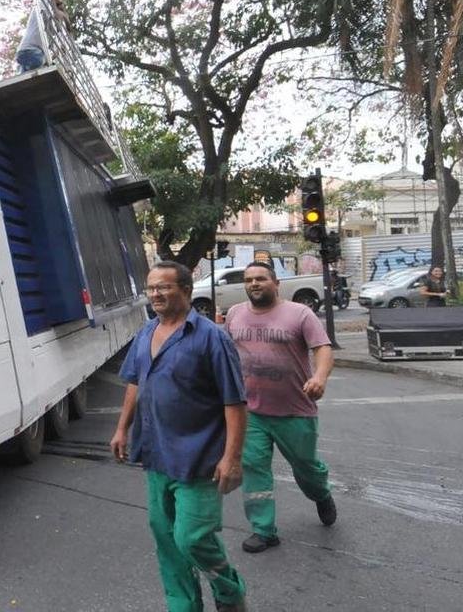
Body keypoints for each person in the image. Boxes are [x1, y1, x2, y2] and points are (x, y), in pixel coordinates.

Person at [110, 261, 249, 612]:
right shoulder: (146, 332)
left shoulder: (211, 337)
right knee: (167, 542)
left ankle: (229, 592)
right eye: (151, 288)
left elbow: (234, 401)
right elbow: (134, 382)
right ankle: (183, 605)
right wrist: (122, 428)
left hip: (199, 459)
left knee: (192, 539)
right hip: (156, 456)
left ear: (186, 290)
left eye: (164, 287)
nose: (155, 294)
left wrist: (232, 458)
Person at [225, 262, 337, 554]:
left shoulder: (299, 313)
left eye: (261, 278)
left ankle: (321, 493)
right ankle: (263, 530)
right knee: (253, 467)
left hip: (294, 410)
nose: (254, 284)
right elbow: (225, 351)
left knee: (306, 467)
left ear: (276, 283)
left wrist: (319, 377)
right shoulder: (235, 313)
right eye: (249, 280)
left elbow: (322, 348)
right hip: (251, 411)